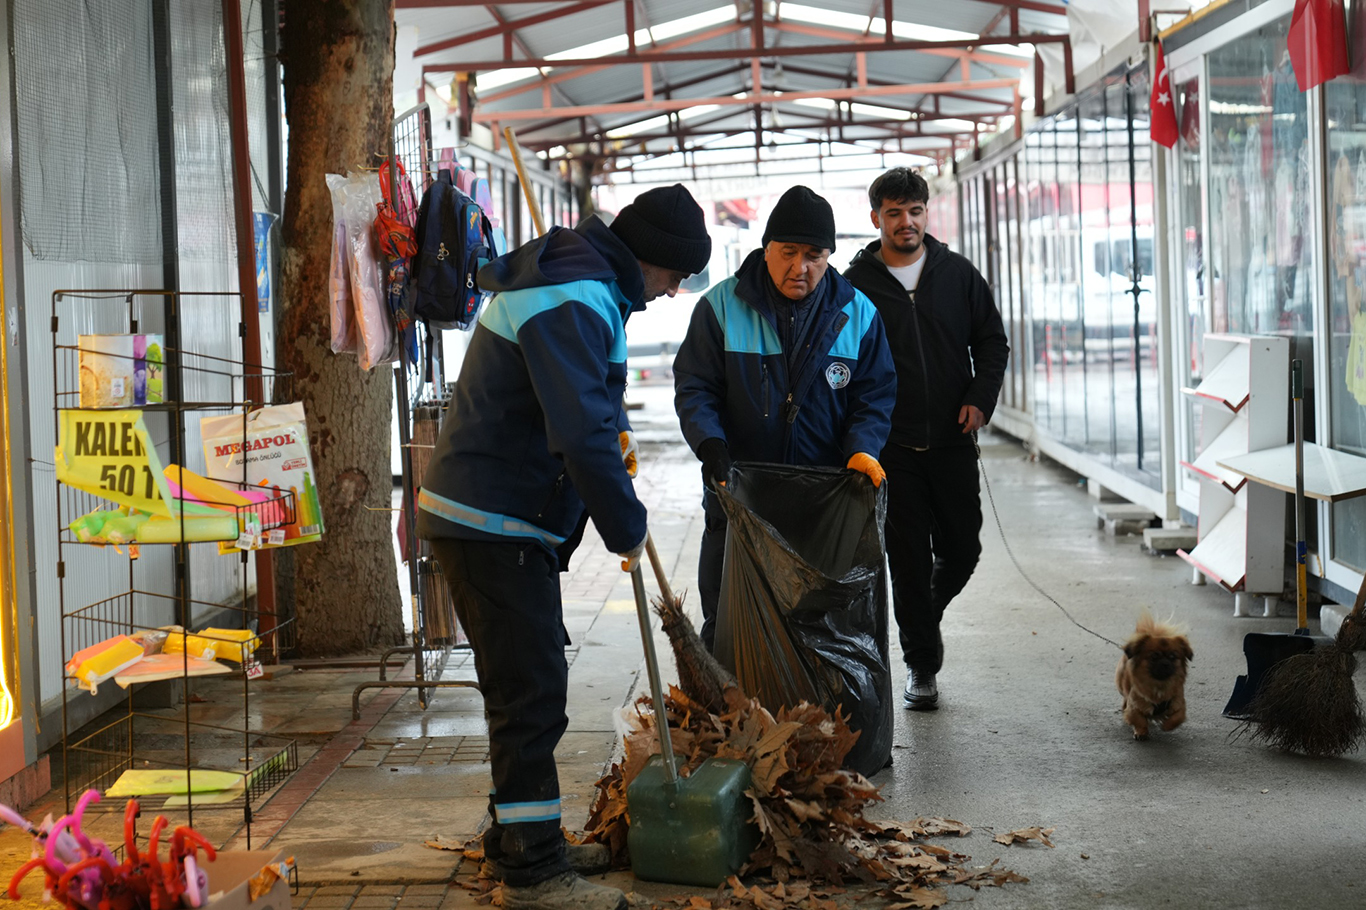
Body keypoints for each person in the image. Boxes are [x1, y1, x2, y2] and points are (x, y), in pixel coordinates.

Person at [418, 185, 711, 910]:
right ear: (653, 262)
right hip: (492, 518)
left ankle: (519, 836)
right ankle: (533, 866)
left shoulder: (582, 283)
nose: (672, 294)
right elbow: (576, 432)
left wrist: (615, 430)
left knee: (529, 680)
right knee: (531, 690)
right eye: (675, 278)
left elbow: (585, 404)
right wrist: (626, 522)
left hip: (501, 517)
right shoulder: (577, 291)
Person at [673, 185, 897, 651]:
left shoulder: (858, 313)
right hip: (738, 491)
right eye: (788, 252)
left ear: (829, 255)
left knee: (816, 625)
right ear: (766, 248)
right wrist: (710, 444)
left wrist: (862, 449)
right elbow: (696, 386)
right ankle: (734, 718)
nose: (801, 267)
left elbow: (874, 395)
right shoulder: (720, 307)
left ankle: (808, 722)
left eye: (814, 255)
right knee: (731, 615)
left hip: (823, 497)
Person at [843, 167, 1009, 711]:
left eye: (915, 211)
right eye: (894, 213)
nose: (906, 222)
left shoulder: (958, 275)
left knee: (963, 550)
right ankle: (921, 664)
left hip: (954, 440)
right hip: (891, 449)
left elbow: (991, 342)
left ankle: (921, 621)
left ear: (925, 214)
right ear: (876, 219)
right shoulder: (854, 286)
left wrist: (981, 399)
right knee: (908, 560)